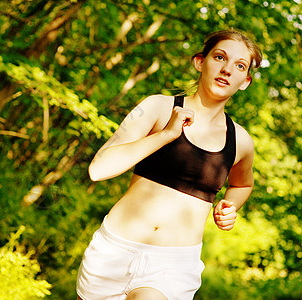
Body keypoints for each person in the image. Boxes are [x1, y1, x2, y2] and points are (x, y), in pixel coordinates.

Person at [76, 29, 262, 300]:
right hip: (113, 252)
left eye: (239, 66)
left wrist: (230, 206)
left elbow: (243, 184)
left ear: (244, 81)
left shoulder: (241, 141)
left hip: (172, 266)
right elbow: (99, 169)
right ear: (200, 62)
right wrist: (166, 135)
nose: (226, 69)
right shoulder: (157, 107)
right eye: (219, 57)